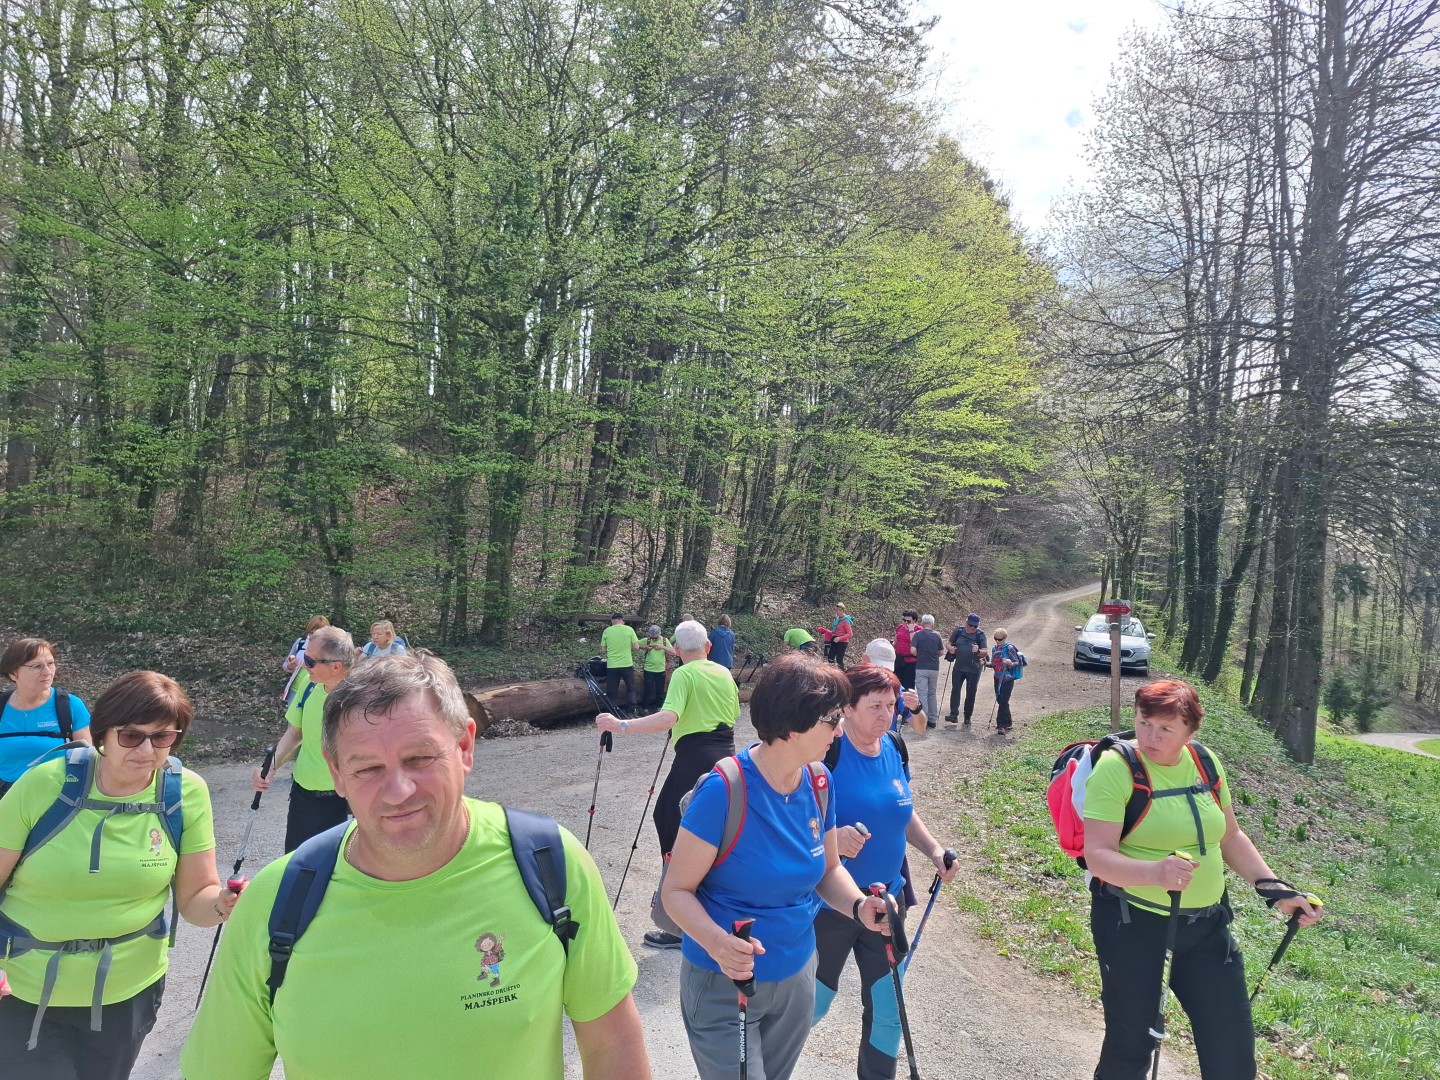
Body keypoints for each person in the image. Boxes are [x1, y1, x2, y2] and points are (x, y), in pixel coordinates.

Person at [182, 652, 649, 1080]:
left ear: (464, 747)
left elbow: (612, 1045)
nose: (398, 791)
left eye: (419, 758)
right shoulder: (276, 900)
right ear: (337, 773)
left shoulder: (549, 863)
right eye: (367, 768)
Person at [660, 653, 891, 1080]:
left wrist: (859, 906)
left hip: (796, 975)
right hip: (724, 981)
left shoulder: (819, 782)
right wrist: (718, 944)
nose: (840, 730)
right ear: (793, 725)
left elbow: (829, 870)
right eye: (832, 719)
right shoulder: (724, 790)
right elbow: (675, 891)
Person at [0, 671, 238, 1079]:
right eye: (131, 736)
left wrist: (223, 904)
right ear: (103, 734)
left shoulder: (184, 793)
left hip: (128, 992)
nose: (146, 749)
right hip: (22, 989)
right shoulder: (44, 784)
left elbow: (196, 898)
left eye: (162, 737)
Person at [1083, 680, 1323, 1080]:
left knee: (1232, 1050)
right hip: (1133, 927)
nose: (1151, 736)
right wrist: (1154, 873)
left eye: (1165, 728)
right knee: (1131, 1047)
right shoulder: (1116, 768)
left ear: (1190, 731)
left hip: (1207, 928)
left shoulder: (1204, 762)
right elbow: (1098, 857)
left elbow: (1230, 837)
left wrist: (1276, 890)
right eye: (1144, 723)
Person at [813, 663, 957, 1079]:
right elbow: (793, 819)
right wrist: (833, 838)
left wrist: (933, 850)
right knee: (811, 1003)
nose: (886, 714)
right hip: (830, 905)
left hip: (887, 903)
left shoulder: (894, 747)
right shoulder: (826, 752)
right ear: (847, 708)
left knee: (888, 1010)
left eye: (891, 705)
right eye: (875, 705)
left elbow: (903, 813)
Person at [596, 620, 738, 949]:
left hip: (694, 758)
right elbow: (729, 716)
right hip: (726, 759)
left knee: (669, 821)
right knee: (713, 832)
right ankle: (703, 911)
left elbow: (668, 718)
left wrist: (621, 725)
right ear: (708, 646)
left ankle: (677, 918)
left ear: (675, 649)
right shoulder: (724, 673)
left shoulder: (684, 674)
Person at [253, 625, 355, 852]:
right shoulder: (309, 686)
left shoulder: (359, 699)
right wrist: (271, 767)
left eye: (309, 661)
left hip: (345, 800)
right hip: (303, 794)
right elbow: (295, 733)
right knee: (295, 860)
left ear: (336, 666)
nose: (303, 665)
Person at [0, 638, 93, 798]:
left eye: (50, 664)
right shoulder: (2, 706)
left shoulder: (70, 705)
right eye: (37, 666)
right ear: (13, 673)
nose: (47, 672)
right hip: (6, 799)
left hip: (57, 799)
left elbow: (87, 759)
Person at [861, 639, 926, 735]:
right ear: (864, 658)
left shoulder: (895, 688)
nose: (881, 673)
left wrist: (916, 709)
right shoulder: (848, 686)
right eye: (876, 667)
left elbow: (920, 729)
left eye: (887, 669)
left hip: (885, 742)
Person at [944, 613, 988, 726]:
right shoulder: (959, 631)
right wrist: (950, 648)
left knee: (971, 693)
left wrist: (978, 651)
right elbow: (948, 643)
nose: (972, 628)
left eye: (975, 626)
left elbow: (985, 652)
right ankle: (953, 715)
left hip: (974, 669)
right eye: (970, 625)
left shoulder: (980, 635)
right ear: (966, 622)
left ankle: (967, 717)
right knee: (955, 690)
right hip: (958, 667)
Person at [280, 615, 329, 705]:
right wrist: (290, 665)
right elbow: (286, 665)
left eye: (317, 634)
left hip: (314, 690)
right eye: (311, 633)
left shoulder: (328, 649)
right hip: (295, 689)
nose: (313, 636)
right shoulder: (300, 642)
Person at [910, 616, 944, 729]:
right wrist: (934, 655)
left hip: (921, 667)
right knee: (932, 693)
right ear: (933, 624)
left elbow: (913, 650)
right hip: (934, 668)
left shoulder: (917, 635)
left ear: (922, 624)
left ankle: (923, 719)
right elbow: (942, 652)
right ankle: (933, 720)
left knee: (922, 693)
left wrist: (919, 655)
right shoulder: (937, 635)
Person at [600, 613, 639, 710]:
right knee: (631, 688)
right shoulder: (629, 629)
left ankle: (612, 712)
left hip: (612, 665)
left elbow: (603, 650)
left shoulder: (607, 631)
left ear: (612, 621)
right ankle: (631, 710)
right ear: (622, 620)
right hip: (626, 664)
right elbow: (636, 647)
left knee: (612, 690)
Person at [990, 628, 1023, 733]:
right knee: (1001, 701)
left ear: (1005, 638)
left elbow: (1017, 662)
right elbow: (993, 664)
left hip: (1007, 679)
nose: (997, 641)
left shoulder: (1009, 648)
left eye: (1000, 639)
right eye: (995, 639)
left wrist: (1010, 663)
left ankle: (1001, 725)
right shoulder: (994, 649)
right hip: (997, 678)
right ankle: (1008, 723)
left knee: (1003, 701)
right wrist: (984, 663)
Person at [638, 625, 673, 710]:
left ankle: (659, 706)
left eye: (655, 638)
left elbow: (674, 652)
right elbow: (634, 645)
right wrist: (644, 647)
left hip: (661, 670)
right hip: (648, 669)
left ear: (659, 634)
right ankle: (645, 707)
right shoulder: (647, 640)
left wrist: (662, 647)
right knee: (648, 689)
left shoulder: (664, 641)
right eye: (652, 637)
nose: (653, 639)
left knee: (660, 690)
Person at [892, 611, 919, 690]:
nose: (906, 623)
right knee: (897, 684)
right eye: (904, 620)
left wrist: (911, 630)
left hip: (911, 661)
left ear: (914, 620)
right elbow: (895, 641)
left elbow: (915, 643)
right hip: (899, 659)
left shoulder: (918, 629)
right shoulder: (900, 627)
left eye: (908, 621)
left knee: (908, 685)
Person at [828, 604, 855, 668]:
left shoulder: (845, 621)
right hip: (835, 640)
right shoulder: (837, 619)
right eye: (836, 610)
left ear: (842, 610)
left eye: (838, 610)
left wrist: (839, 638)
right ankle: (832, 671)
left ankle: (842, 673)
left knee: (839, 660)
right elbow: (835, 630)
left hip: (842, 642)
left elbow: (850, 634)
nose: (836, 612)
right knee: (830, 658)